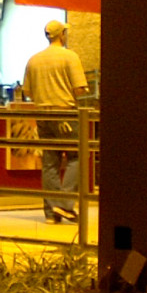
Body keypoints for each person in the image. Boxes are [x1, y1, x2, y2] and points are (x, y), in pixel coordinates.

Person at [22, 18, 88, 223]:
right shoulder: (70, 57)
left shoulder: (33, 60)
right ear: (62, 35)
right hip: (65, 113)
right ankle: (65, 204)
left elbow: (27, 92)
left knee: (50, 162)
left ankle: (51, 213)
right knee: (77, 157)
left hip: (42, 115)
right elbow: (80, 88)